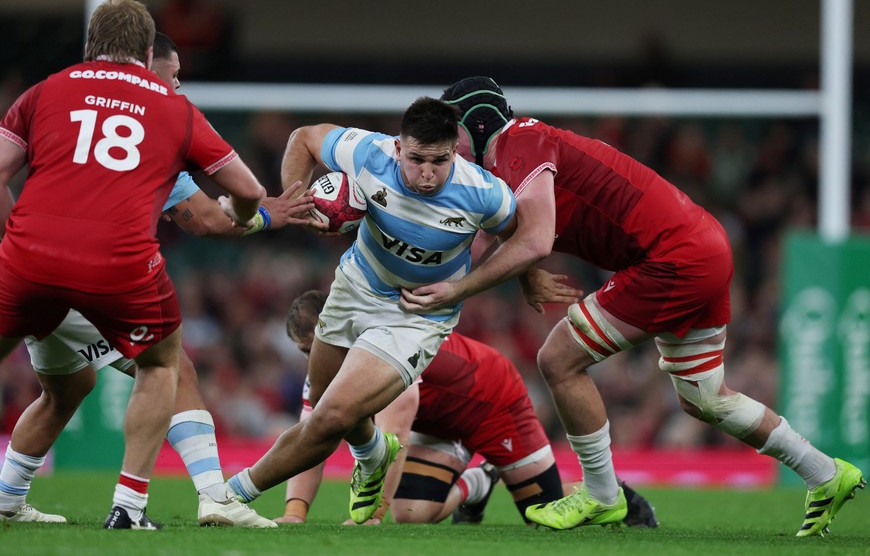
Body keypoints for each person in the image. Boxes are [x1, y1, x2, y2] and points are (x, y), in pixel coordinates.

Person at [399, 77, 865, 536]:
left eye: (453, 131)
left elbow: (535, 239)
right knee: (705, 397)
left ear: (478, 125)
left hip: (671, 258)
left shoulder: (518, 145)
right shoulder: (511, 156)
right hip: (700, 246)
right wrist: (524, 274)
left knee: (558, 359)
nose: (447, 145)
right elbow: (514, 226)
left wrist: (457, 291)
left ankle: (603, 495)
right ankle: (824, 472)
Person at [0, 32, 313, 527]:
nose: (178, 84)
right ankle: (208, 498)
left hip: (31, 268)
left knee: (67, 389)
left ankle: (6, 499)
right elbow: (205, 220)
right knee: (170, 368)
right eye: (173, 74)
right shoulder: (153, 123)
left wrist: (15, 238)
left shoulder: (60, 101)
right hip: (95, 273)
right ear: (147, 67)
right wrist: (265, 216)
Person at [225, 97, 521, 525]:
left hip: (417, 314)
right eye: (416, 159)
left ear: (454, 152)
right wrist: (301, 203)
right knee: (323, 404)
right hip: (355, 287)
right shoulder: (368, 152)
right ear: (398, 148)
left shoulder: (484, 193)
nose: (426, 173)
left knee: (332, 415)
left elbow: (521, 239)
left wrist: (464, 287)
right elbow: (304, 138)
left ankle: (231, 495)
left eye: (438, 161)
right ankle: (373, 452)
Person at [274, 289, 658, 527]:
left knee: (544, 514)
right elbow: (310, 439)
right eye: (306, 353)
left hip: (494, 402)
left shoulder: (384, 345)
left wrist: (372, 515)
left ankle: (614, 494)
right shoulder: (325, 375)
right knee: (411, 515)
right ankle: (479, 482)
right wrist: (295, 512)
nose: (314, 361)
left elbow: (395, 434)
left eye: (316, 349)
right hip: (437, 421)